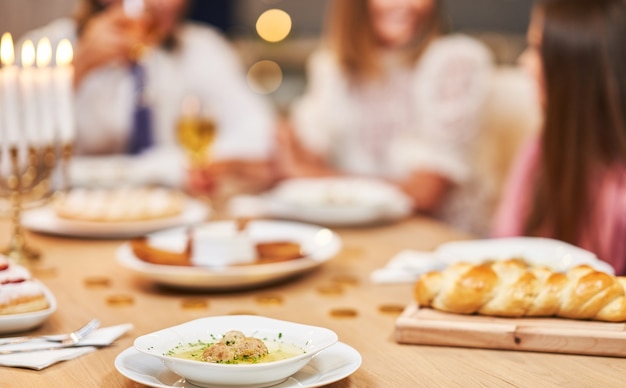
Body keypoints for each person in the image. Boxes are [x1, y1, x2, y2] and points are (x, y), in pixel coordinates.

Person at [275, 0, 493, 235]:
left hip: (436, 238)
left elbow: (426, 193)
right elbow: (305, 152)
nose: (407, 4)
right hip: (352, 235)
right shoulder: (332, 65)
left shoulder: (455, 61)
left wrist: (314, 177)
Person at [19, 0, 276, 193]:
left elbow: (261, 136)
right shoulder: (43, 49)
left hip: (166, 217)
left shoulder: (200, 48)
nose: (169, 4)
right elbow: (13, 162)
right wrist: (76, 71)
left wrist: (166, 167)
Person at [493, 0, 626, 274]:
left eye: (538, 49)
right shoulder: (540, 150)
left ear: (579, 68)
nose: (524, 62)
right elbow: (504, 246)